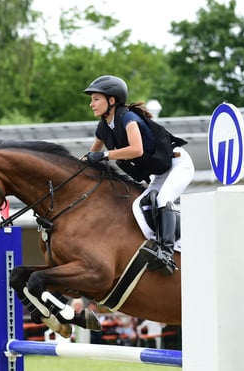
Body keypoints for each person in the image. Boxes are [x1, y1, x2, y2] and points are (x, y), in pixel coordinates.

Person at [82, 75, 195, 276]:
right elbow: (92, 156)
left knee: (162, 199)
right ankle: (156, 244)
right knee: (139, 205)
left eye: (96, 99)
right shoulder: (103, 128)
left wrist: (105, 155)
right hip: (161, 172)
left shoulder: (128, 118)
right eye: (92, 100)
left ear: (112, 100)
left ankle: (168, 253)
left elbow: (136, 149)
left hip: (179, 165)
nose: (92, 104)